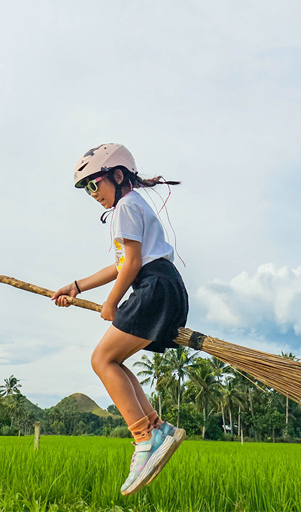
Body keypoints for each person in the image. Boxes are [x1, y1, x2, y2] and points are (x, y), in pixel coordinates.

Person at [53, 143, 189, 496]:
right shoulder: (133, 205)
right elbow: (121, 264)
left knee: (101, 359)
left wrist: (111, 303)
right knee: (114, 360)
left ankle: (144, 438)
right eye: (86, 189)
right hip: (166, 286)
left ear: (116, 175)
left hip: (153, 285)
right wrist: (78, 286)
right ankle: (156, 428)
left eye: (93, 184)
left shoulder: (125, 208)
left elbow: (130, 264)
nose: (92, 194)